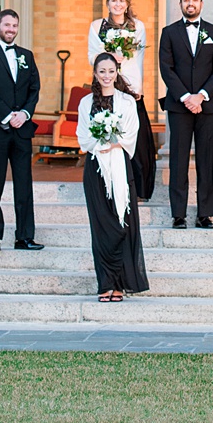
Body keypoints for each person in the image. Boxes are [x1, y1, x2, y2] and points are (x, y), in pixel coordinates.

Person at [76, 53, 148, 301]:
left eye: (111, 70)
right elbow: (82, 137)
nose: (107, 75)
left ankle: (120, 283)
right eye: (102, 71)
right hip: (95, 167)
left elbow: (131, 133)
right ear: (95, 74)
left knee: (121, 223)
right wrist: (100, 140)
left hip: (119, 165)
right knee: (101, 226)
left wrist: (114, 142)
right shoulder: (86, 103)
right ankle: (105, 283)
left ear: (116, 72)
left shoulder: (127, 101)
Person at [156, 0, 213, 229]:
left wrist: (201, 96)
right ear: (181, 4)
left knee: (206, 160)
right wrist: (186, 96)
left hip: (207, 105)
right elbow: (166, 69)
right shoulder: (168, 33)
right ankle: (178, 214)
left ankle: (205, 214)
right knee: (178, 160)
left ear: (201, 3)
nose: (191, 3)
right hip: (179, 105)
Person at [0, 8, 42, 251]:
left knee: (24, 184)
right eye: (7, 25)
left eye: (14, 26)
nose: (11, 29)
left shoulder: (27, 55)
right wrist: (6, 115)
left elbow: (34, 88)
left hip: (21, 128)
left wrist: (24, 114)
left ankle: (24, 237)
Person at [87, 0, 157, 199]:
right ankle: (107, 186)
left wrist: (136, 89)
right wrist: (109, 57)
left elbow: (138, 59)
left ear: (127, 4)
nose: (117, 4)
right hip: (106, 85)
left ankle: (138, 189)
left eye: (121, 1)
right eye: (113, 1)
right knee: (107, 136)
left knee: (135, 140)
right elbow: (92, 54)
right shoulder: (97, 26)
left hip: (130, 87)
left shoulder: (138, 26)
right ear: (107, 3)